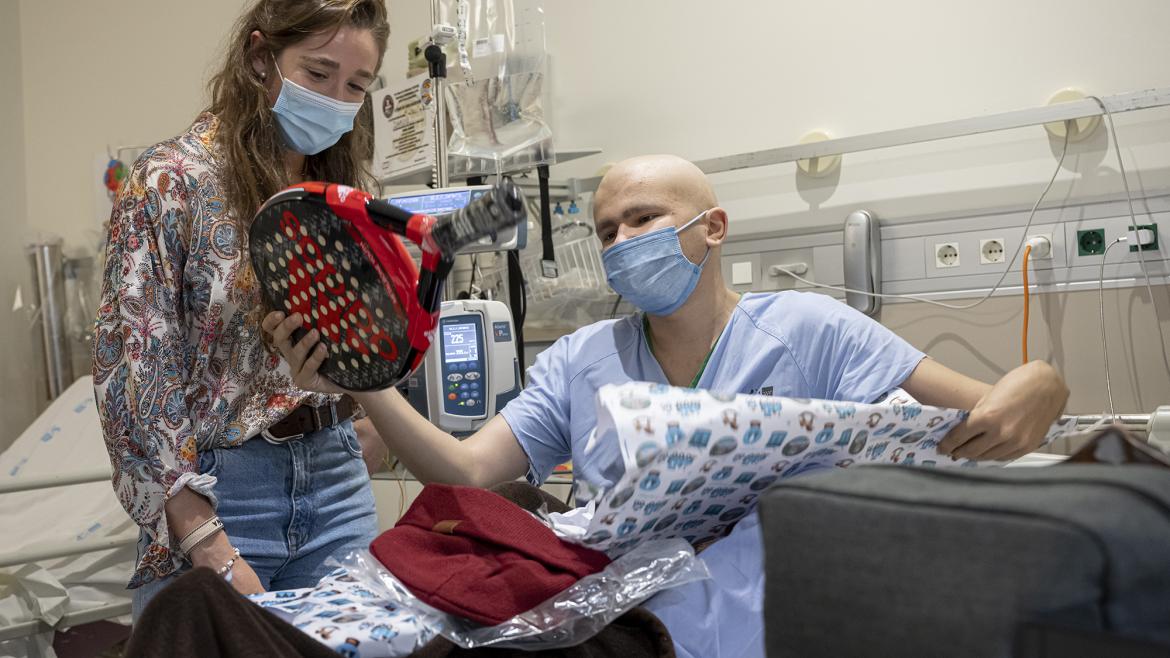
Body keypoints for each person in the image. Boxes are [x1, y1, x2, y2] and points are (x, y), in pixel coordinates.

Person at [264, 154, 1069, 657]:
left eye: (643, 219)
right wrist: (365, 380)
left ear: (712, 227)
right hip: (599, 613)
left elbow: (983, 414)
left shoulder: (809, 328)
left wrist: (1043, 380)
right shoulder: (583, 358)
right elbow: (470, 472)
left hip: (742, 613)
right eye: (606, 229)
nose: (621, 242)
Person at [93, 0, 391, 620]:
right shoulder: (170, 181)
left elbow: (364, 337)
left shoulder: (341, 197)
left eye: (356, 85)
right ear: (261, 57)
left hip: (337, 484)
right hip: (220, 494)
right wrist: (202, 534)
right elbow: (136, 374)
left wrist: (364, 420)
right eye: (318, 74)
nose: (337, 98)